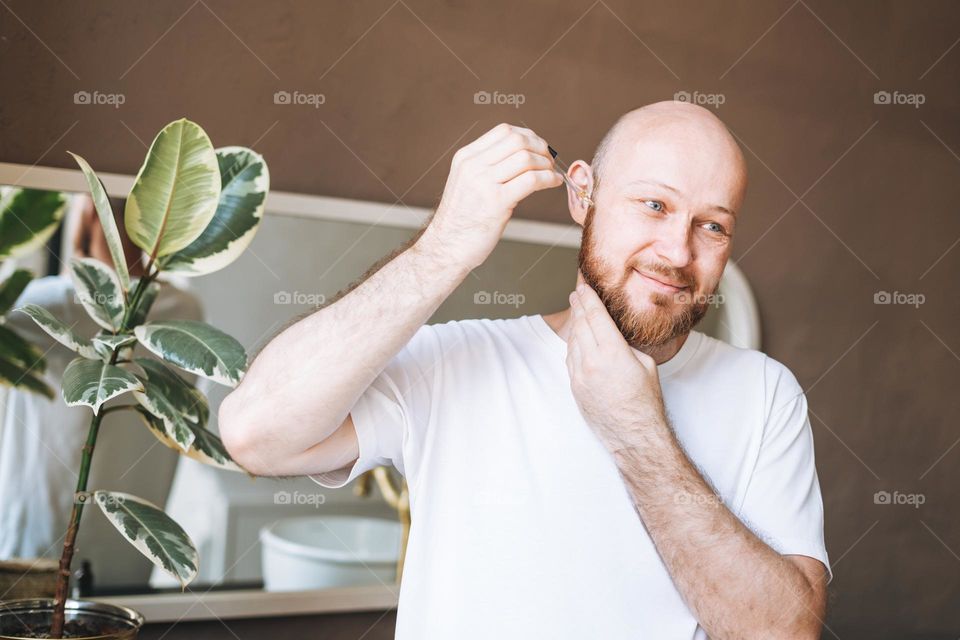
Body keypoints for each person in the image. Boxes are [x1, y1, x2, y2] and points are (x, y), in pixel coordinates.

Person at [219, 101, 830, 639]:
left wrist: (636, 430)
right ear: (581, 193)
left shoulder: (766, 395)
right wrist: (446, 244)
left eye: (712, 226)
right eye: (653, 205)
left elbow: (781, 634)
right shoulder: (460, 361)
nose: (677, 251)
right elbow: (256, 434)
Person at [0, 193, 202, 589]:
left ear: (89, 213)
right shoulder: (186, 311)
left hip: (37, 522)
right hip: (133, 530)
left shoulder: (51, 303)